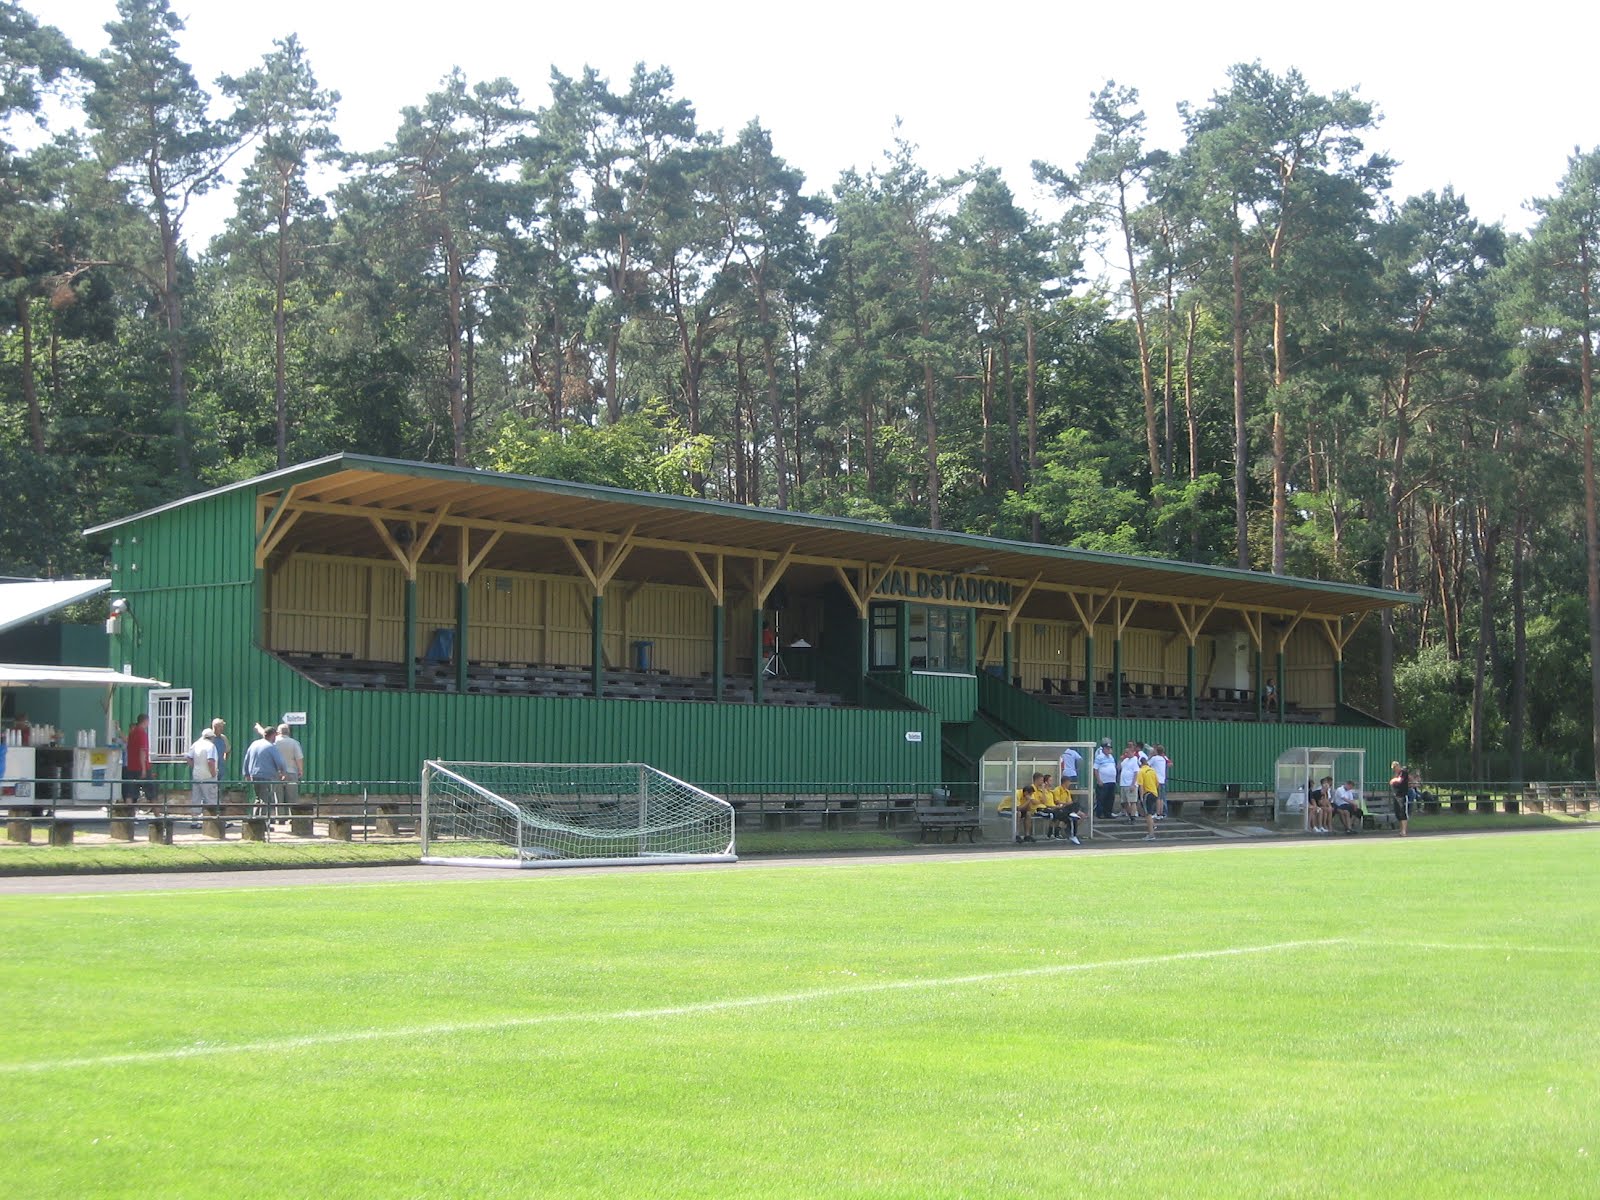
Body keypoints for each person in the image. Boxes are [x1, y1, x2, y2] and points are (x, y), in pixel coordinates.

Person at [242, 724, 289, 817]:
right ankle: (262, 821)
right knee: (266, 799)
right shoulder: (271, 746)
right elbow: (280, 761)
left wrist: (246, 773)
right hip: (266, 776)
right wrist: (283, 772)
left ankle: (255, 819)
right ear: (273, 735)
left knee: (258, 798)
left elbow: (247, 758)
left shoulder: (254, 744)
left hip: (254, 775)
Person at [259, 721, 305, 809]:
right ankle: (292, 815)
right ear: (289, 732)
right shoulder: (294, 743)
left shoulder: (273, 742)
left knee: (278, 799)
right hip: (291, 772)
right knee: (292, 798)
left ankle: (280, 816)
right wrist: (300, 770)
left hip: (277, 773)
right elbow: (299, 758)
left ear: (278, 732)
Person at [186, 728, 219, 823]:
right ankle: (213, 822)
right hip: (208, 776)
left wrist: (195, 767)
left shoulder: (196, 744)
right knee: (211, 799)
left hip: (196, 775)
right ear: (211, 737)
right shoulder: (211, 746)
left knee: (196, 799)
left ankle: (194, 821)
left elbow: (188, 758)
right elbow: (210, 761)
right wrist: (213, 774)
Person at [122, 712, 152, 808]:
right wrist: (143, 769)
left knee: (130, 793)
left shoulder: (131, 734)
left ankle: (129, 814)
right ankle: (158, 815)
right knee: (152, 793)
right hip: (141, 767)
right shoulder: (142, 733)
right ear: (145, 721)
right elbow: (142, 751)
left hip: (131, 767)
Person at [1135, 754, 1161, 841]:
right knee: (1149, 812)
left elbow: (1141, 785)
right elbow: (1157, 783)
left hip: (1147, 794)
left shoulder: (1141, 771)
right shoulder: (1152, 770)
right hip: (1154, 793)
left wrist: (1141, 797)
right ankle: (1153, 826)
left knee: (1148, 814)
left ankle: (1151, 834)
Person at [1093, 738, 1118, 819]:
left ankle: (1108, 813)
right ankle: (1100, 813)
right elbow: (1095, 769)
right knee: (1101, 798)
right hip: (1103, 781)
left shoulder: (1111, 757)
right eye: (1107, 748)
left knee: (1110, 798)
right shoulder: (1099, 757)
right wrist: (1099, 780)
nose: (1108, 750)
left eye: (1109, 748)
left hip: (1112, 781)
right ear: (1103, 749)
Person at [1118, 743, 1141, 822]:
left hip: (1130, 784)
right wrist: (1120, 760)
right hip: (1123, 784)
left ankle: (1133, 817)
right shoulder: (1125, 760)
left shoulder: (1134, 760)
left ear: (1132, 752)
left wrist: (1133, 784)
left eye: (1127, 752)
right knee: (1124, 802)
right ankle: (1129, 815)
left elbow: (1136, 772)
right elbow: (1119, 767)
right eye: (1125, 753)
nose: (1126, 754)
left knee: (1132, 801)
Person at [1390, 760, 1411, 836]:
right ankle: (1401, 830)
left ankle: (1404, 831)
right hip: (1396, 796)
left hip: (1402, 796)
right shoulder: (1396, 774)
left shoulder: (1403, 772)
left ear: (1398, 766)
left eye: (1395, 767)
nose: (1395, 769)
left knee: (1403, 813)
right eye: (1393, 768)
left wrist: (1393, 780)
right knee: (1397, 813)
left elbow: (1400, 781)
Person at [1149, 743, 1169, 818]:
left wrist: (1150, 755)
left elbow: (1146, 764)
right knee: (1161, 798)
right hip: (1162, 780)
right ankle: (1160, 813)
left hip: (1156, 781)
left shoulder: (1154, 758)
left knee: (1157, 798)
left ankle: (1157, 813)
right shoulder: (1163, 759)